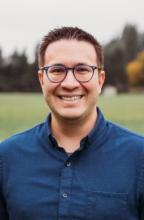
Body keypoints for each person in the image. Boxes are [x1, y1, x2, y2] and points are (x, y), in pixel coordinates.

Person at [0, 26, 144, 220]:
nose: (69, 83)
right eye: (57, 70)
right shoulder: (6, 158)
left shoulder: (139, 157)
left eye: (83, 69)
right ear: (42, 79)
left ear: (100, 80)